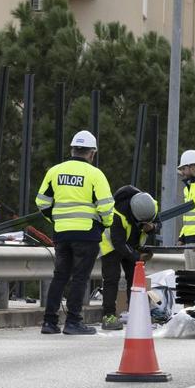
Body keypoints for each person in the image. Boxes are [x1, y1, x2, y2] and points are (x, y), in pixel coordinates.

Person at [35, 130, 113, 335]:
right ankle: (73, 322)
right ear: (92, 153)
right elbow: (106, 206)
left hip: (62, 233)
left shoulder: (55, 171)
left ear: (72, 149)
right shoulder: (95, 174)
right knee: (79, 278)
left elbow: (42, 202)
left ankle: (49, 322)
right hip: (87, 234)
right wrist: (104, 224)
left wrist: (55, 219)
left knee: (60, 276)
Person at [98, 186, 158, 330]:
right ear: (134, 215)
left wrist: (152, 228)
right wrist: (137, 256)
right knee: (112, 279)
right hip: (111, 246)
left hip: (132, 244)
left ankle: (136, 313)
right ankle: (109, 316)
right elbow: (118, 243)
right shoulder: (117, 215)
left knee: (135, 279)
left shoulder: (150, 206)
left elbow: (157, 222)